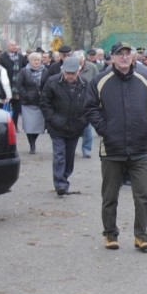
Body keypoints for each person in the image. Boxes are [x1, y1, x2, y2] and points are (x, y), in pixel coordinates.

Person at [84, 42, 147, 251]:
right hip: (112, 149)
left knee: (143, 194)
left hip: (139, 148)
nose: (125, 57)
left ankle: (141, 235)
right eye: (120, 54)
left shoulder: (144, 78)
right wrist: (105, 130)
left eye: (128, 54)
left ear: (134, 57)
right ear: (112, 58)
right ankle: (110, 234)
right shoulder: (101, 81)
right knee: (110, 196)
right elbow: (90, 108)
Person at [39, 56, 89, 196]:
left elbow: (90, 105)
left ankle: (65, 177)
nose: (70, 76)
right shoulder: (52, 82)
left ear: (78, 71)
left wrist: (83, 121)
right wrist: (52, 119)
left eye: (73, 73)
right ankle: (60, 184)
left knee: (69, 156)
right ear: (63, 71)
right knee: (59, 155)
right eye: (67, 73)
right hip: (57, 127)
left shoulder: (85, 84)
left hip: (75, 126)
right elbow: (44, 102)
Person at [16, 52, 47, 153]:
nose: (36, 62)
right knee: (29, 125)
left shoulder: (45, 71)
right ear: (30, 61)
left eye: (38, 60)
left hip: (40, 102)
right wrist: (25, 95)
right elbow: (19, 85)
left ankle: (34, 139)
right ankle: (31, 144)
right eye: (34, 60)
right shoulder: (24, 71)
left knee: (38, 125)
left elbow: (48, 84)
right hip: (27, 102)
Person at [0, 40, 25, 127]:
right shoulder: (2, 57)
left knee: (16, 107)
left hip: (17, 86)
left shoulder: (20, 57)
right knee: (4, 106)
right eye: (12, 45)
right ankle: (4, 125)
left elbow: (24, 68)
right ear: (8, 46)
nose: (14, 47)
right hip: (6, 85)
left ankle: (14, 125)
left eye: (15, 45)